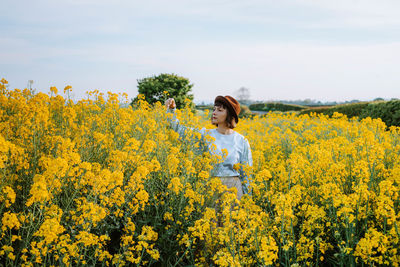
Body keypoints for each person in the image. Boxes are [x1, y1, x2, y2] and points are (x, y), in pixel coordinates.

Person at [165, 95, 252, 200]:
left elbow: (247, 174)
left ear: (229, 115)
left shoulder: (241, 141)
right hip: (210, 190)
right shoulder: (204, 135)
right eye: (214, 109)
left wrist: (248, 201)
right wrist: (171, 110)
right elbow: (177, 129)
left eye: (219, 110)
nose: (214, 113)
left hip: (234, 191)